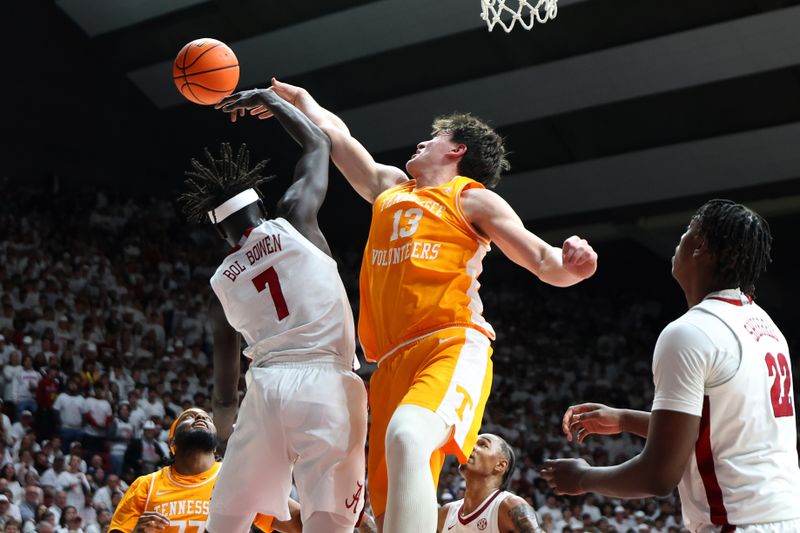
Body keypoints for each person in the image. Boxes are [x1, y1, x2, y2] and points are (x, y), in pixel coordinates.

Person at [246, 78, 597, 533]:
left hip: (448, 343)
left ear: (458, 151)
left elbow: (542, 259)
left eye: (435, 138)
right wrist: (295, 101)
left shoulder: (471, 198)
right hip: (388, 364)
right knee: (393, 513)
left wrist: (576, 266)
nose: (422, 141)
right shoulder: (390, 187)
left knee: (409, 434)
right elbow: (337, 137)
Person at [541, 199, 800, 532]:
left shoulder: (690, 331)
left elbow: (658, 476)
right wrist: (623, 419)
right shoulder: (764, 325)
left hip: (736, 521)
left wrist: (582, 477)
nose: (680, 238)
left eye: (689, 229)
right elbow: (718, 430)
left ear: (700, 247)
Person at [181, 86, 367, 533]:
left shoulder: (219, 285)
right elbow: (319, 143)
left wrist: (229, 439)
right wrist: (270, 101)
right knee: (329, 522)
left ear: (222, 236)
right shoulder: (296, 219)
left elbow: (224, 394)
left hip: (265, 389)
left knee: (225, 521)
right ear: (261, 206)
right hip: (329, 384)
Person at [109, 407, 300, 533]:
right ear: (173, 443)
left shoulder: (238, 479)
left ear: (215, 446)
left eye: (207, 418)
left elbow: (299, 522)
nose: (200, 417)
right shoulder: (145, 485)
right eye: (188, 417)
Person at [437, 434, 539, 532]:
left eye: (483, 444)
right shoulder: (445, 514)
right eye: (472, 443)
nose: (471, 447)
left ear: (500, 465)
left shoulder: (509, 505)